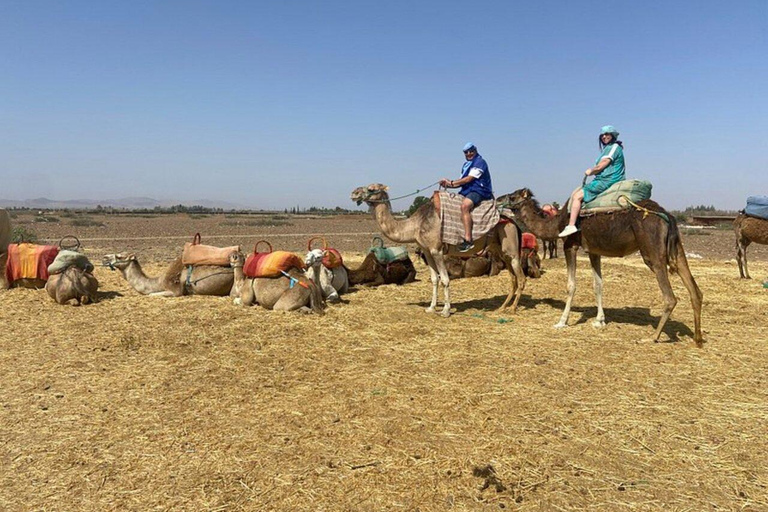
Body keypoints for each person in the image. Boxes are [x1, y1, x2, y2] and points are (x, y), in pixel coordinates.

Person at [558, 125, 626, 237]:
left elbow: (603, 164)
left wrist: (592, 170)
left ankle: (571, 225)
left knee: (578, 196)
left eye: (607, 134)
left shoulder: (613, 147)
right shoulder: (608, 149)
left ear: (613, 136)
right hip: (603, 179)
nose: (604, 137)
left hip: (608, 180)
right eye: (602, 135)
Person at [440, 142, 494, 251]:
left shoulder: (480, 162)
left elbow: (468, 179)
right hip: (467, 191)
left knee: (465, 206)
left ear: (475, 150)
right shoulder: (466, 165)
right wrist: (448, 184)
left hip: (479, 191)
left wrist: (450, 182)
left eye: (471, 151)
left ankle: (468, 240)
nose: (469, 154)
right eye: (466, 152)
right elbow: (461, 183)